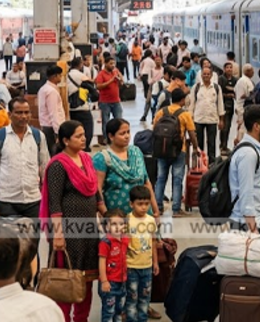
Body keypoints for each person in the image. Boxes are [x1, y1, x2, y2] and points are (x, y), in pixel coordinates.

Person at [43, 120, 105, 322]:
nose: (83, 138)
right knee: (67, 276)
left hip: (88, 228)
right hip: (68, 231)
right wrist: (58, 234)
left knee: (86, 275)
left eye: (83, 135)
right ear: (65, 140)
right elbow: (54, 203)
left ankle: (81, 319)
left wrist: (104, 213)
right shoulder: (58, 165)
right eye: (78, 136)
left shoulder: (87, 159)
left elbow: (95, 192)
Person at [0, 97, 50, 222]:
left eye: (27, 112)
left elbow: (45, 168)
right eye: (19, 113)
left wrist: (47, 197)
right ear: (10, 114)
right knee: (10, 240)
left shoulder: (38, 137)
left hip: (33, 200)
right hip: (6, 201)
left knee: (33, 239)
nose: (24, 116)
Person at [94, 118, 160, 217]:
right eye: (122, 133)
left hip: (142, 214)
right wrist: (105, 214)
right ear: (111, 136)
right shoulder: (102, 158)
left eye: (128, 132)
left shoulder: (136, 152)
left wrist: (155, 209)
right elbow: (97, 189)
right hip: (117, 218)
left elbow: (146, 182)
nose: (127, 136)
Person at [154, 88, 200, 217]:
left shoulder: (161, 112)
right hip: (179, 150)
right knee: (177, 178)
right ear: (182, 100)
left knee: (161, 178)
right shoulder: (185, 114)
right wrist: (195, 147)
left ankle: (158, 207)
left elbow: (155, 129)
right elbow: (192, 133)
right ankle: (176, 209)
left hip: (162, 150)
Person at [229, 105, 260, 232]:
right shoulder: (248, 154)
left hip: (251, 222)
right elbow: (246, 192)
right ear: (256, 126)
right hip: (247, 225)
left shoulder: (254, 149)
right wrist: (253, 229)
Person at [125, 185, 159, 322]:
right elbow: (123, 244)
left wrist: (155, 263)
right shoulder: (127, 221)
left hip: (147, 265)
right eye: (140, 203)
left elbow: (153, 242)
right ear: (131, 204)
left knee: (145, 296)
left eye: (146, 203)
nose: (144, 207)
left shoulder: (151, 220)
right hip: (131, 266)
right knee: (132, 297)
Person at [98, 210, 129, 322]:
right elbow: (102, 262)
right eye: (114, 224)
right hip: (109, 283)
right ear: (107, 226)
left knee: (118, 309)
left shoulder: (124, 239)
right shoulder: (106, 242)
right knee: (108, 311)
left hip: (121, 281)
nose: (118, 227)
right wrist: (104, 281)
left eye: (121, 224)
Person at [191, 68, 225, 163]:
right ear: (201, 75)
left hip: (212, 119)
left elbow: (220, 104)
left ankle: (211, 163)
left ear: (211, 75)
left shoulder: (217, 88)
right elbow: (192, 105)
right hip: (198, 120)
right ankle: (200, 162)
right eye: (204, 74)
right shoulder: (196, 88)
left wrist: (221, 120)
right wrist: (191, 120)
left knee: (212, 143)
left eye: (208, 74)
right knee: (199, 143)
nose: (206, 76)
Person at [67, 56, 96, 148]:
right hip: (82, 107)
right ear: (80, 65)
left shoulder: (66, 75)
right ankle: (85, 146)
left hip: (71, 107)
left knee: (74, 129)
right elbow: (90, 83)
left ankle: (75, 146)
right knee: (88, 127)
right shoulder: (78, 74)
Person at [37, 65, 66, 152]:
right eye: (60, 75)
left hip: (47, 126)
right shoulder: (51, 91)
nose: (61, 77)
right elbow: (53, 113)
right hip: (52, 128)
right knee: (54, 152)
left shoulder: (43, 89)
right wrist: (57, 132)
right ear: (55, 76)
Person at [96, 56, 124, 145]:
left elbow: (121, 83)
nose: (112, 65)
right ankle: (106, 139)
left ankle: (118, 137)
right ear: (106, 63)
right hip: (105, 102)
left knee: (119, 120)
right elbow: (98, 86)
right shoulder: (101, 74)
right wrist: (111, 80)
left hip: (116, 101)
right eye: (111, 63)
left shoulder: (115, 71)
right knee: (106, 122)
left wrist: (120, 80)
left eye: (114, 63)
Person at [219, 62, 238, 154]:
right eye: (227, 67)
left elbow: (236, 91)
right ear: (224, 69)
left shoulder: (235, 79)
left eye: (231, 67)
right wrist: (228, 94)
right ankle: (223, 145)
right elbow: (219, 92)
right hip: (223, 105)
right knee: (224, 127)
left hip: (231, 106)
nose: (229, 69)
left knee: (228, 126)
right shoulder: (221, 79)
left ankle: (224, 145)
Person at [233, 64, 255, 142]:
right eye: (252, 71)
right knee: (242, 127)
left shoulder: (241, 80)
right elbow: (244, 95)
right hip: (243, 108)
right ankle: (241, 141)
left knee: (240, 126)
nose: (253, 72)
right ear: (248, 71)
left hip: (239, 106)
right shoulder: (245, 81)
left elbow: (235, 92)